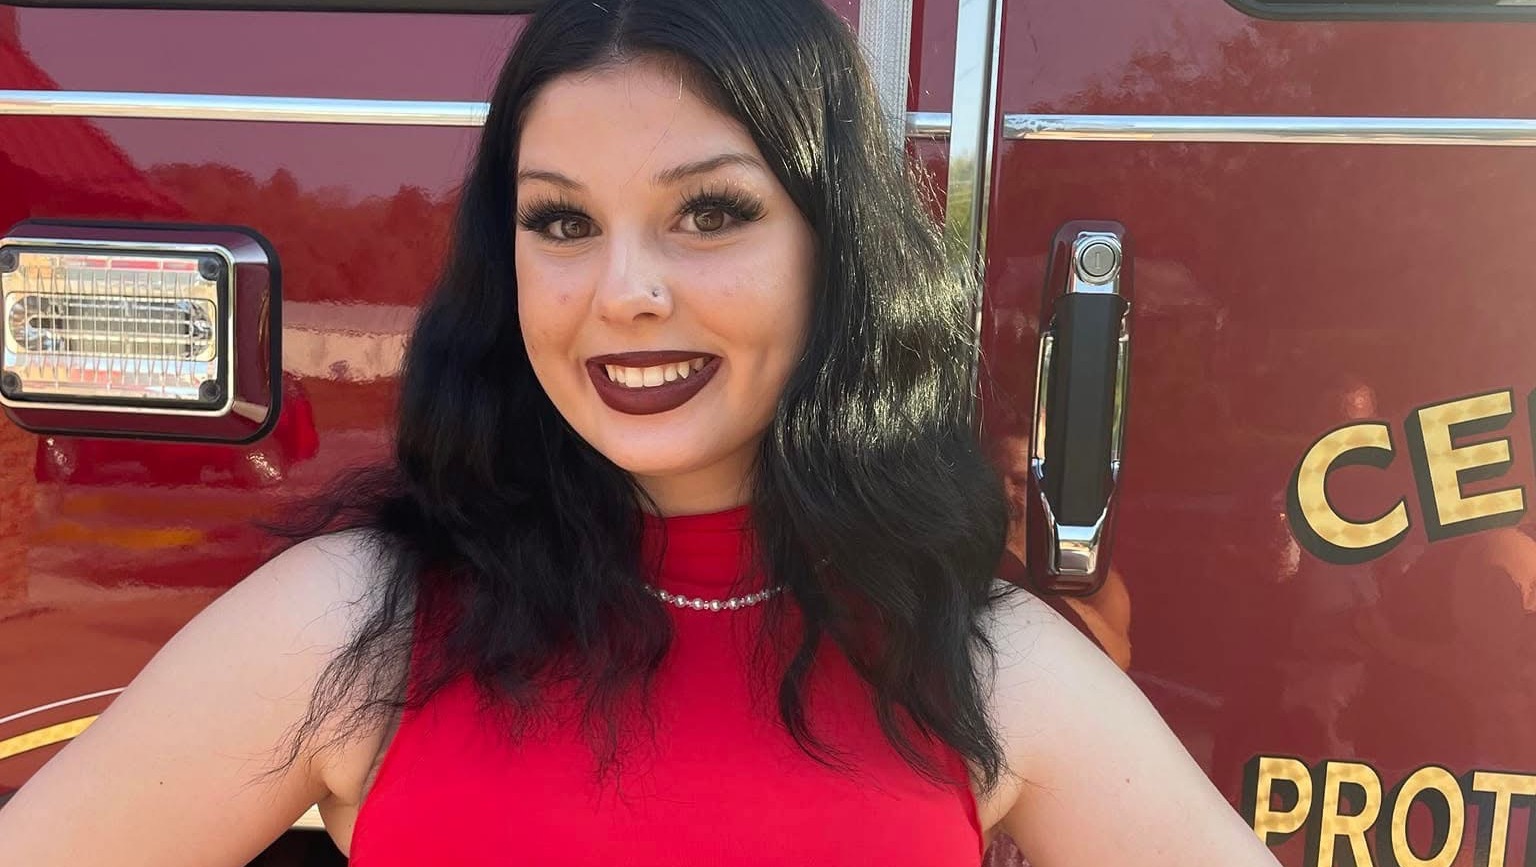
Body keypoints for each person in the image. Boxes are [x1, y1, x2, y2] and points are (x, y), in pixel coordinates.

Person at [0, 0, 1280, 863]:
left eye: (710, 214)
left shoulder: (978, 659)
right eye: (561, 223)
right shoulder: (354, 626)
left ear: (834, 253)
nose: (623, 293)